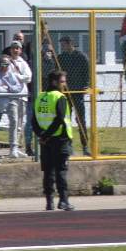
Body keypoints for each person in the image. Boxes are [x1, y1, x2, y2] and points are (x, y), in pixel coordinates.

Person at [33, 65, 78, 211]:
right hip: (60, 139)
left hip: (45, 141)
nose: (64, 85)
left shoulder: (40, 97)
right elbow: (60, 119)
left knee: (48, 171)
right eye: (62, 82)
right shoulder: (60, 97)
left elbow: (34, 120)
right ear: (54, 82)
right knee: (61, 170)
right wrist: (47, 135)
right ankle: (64, 200)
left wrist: (42, 135)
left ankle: (49, 202)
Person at [55, 35, 91, 140]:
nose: (62, 46)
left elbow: (87, 73)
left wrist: (86, 86)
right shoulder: (61, 58)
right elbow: (58, 73)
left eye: (63, 44)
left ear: (69, 43)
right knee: (66, 118)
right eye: (61, 44)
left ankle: (85, 144)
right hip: (65, 92)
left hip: (78, 91)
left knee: (80, 118)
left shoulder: (81, 56)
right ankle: (67, 142)